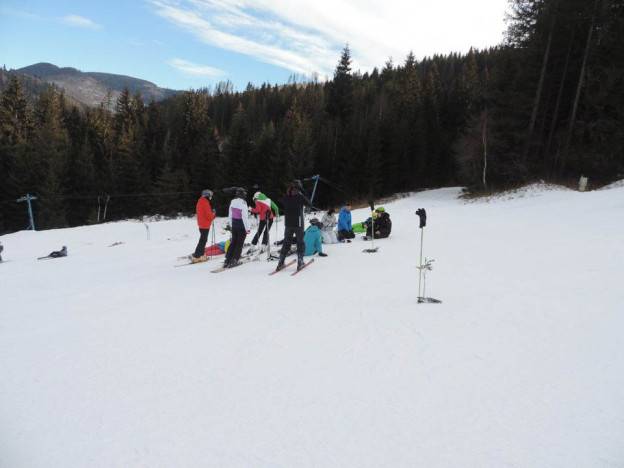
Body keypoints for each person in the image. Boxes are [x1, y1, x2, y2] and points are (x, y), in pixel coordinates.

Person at [276, 182, 311, 271]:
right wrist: (302, 193)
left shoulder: (286, 196)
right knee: (300, 242)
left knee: (286, 242)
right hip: (298, 223)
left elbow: (280, 200)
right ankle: (300, 261)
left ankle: (281, 262)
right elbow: (309, 203)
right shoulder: (299, 196)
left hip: (288, 223)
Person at [223, 188, 251, 268]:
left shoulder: (233, 201)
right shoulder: (243, 203)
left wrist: (231, 225)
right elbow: (244, 217)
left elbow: (230, 214)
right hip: (241, 225)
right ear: (242, 194)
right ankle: (235, 259)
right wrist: (247, 228)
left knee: (233, 242)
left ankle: (227, 259)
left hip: (234, 224)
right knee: (239, 243)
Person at [192, 189, 216, 263]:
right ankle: (197, 256)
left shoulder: (200, 201)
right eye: (210, 196)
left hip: (201, 223)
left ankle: (200, 254)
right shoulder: (205, 203)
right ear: (207, 196)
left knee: (203, 240)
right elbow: (209, 216)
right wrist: (214, 214)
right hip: (205, 224)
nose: (211, 198)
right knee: (203, 240)